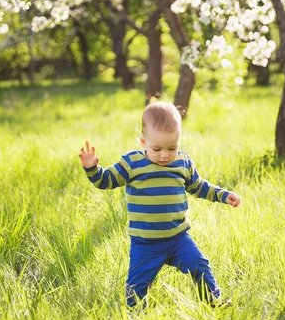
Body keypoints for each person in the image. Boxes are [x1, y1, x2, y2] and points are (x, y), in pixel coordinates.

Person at [79, 101, 240, 308]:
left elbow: (198, 186)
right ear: (143, 142)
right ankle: (136, 314)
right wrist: (93, 169)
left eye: (172, 147)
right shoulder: (132, 164)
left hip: (178, 238)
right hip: (145, 243)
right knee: (136, 285)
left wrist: (223, 195)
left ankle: (213, 302)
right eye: (157, 148)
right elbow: (106, 181)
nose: (165, 155)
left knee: (199, 265)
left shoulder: (182, 162)